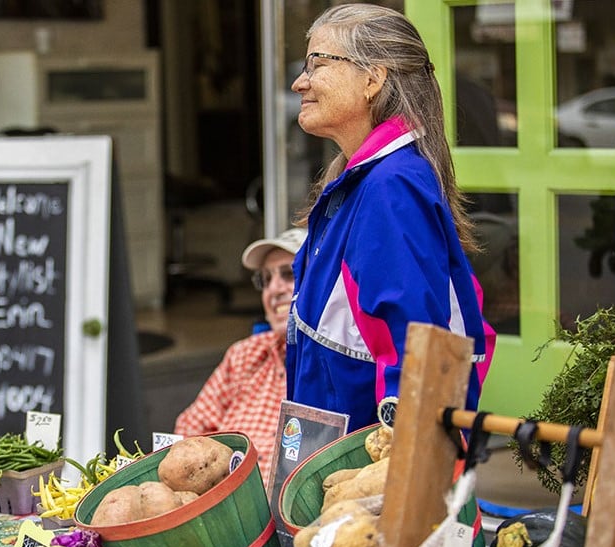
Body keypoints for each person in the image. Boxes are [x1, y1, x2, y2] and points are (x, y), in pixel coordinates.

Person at [286, 4, 496, 431]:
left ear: (372, 78)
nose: (299, 82)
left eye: (318, 63)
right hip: (334, 453)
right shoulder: (367, 179)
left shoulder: (390, 184)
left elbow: (414, 344)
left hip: (367, 466)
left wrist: (395, 467)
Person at [174, 228, 307, 481]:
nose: (274, 289)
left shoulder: (335, 363)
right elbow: (187, 432)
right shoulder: (244, 355)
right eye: (265, 279)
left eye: (289, 274)